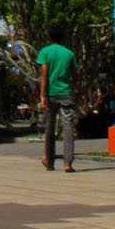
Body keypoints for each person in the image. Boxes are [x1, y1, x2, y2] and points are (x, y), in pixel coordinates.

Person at [36, 26, 78, 172]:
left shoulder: (45, 52)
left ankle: (48, 159)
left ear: (49, 37)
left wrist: (43, 95)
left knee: (49, 127)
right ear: (63, 37)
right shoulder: (69, 53)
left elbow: (44, 75)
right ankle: (68, 163)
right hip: (66, 93)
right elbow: (75, 75)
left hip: (51, 94)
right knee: (68, 127)